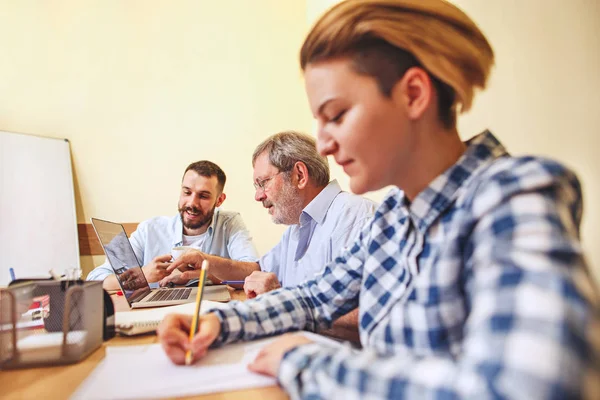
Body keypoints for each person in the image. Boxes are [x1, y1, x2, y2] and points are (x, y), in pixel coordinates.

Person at [158, 0, 600, 398]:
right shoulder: (394, 216)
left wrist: (304, 362)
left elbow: (528, 387)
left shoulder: (513, 195)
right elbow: (313, 298)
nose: (324, 146)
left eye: (336, 115)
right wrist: (220, 323)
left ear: (413, 94)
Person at [162, 131, 377, 341]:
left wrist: (281, 298)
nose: (258, 196)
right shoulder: (297, 227)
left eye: (263, 182)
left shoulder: (356, 217)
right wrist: (205, 261)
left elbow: (375, 316)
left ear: (299, 175)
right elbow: (256, 271)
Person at [87, 160, 259, 290]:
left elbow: (253, 272)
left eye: (203, 196)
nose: (192, 203)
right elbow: (96, 279)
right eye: (187, 192)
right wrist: (142, 276)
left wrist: (210, 275)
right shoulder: (149, 230)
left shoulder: (230, 223)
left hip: (211, 313)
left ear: (219, 200)